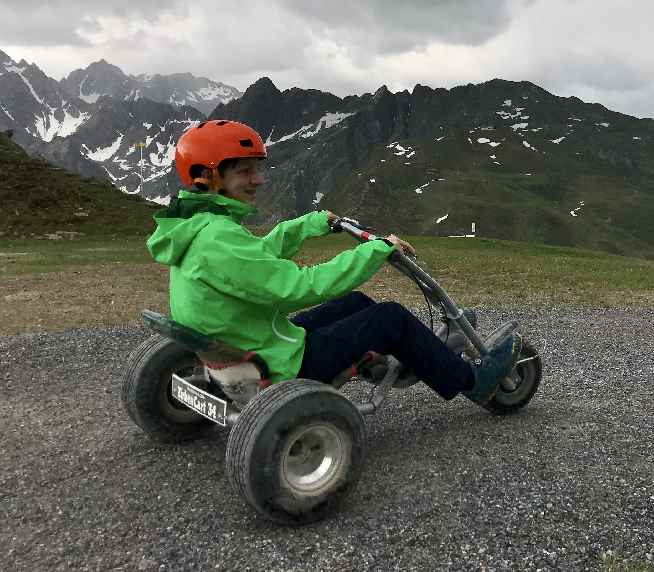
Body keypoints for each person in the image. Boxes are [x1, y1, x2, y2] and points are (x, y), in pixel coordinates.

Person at [146, 119, 519, 404]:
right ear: (209, 177)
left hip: (246, 344)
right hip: (277, 364)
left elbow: (256, 258)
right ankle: (472, 382)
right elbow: (299, 287)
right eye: (245, 171)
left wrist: (309, 225)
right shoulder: (218, 238)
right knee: (390, 317)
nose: (258, 179)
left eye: (258, 168)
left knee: (355, 305)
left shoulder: (199, 227)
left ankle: (400, 357)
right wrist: (375, 250)